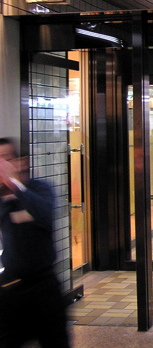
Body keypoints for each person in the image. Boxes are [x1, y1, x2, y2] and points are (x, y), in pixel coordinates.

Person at [0, 137, 70, 347]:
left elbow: (44, 214)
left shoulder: (40, 189)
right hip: (11, 288)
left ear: (20, 162)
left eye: (5, 159)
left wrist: (14, 185)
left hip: (44, 287)